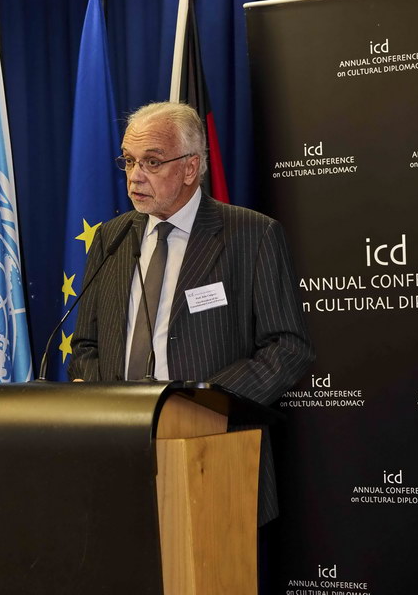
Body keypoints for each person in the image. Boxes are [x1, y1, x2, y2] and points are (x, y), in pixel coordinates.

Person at [68, 101, 314, 524]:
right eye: (128, 161)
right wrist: (108, 406)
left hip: (215, 453)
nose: (135, 176)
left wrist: (205, 404)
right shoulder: (111, 238)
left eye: (151, 162)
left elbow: (288, 347)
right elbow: (87, 343)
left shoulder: (251, 235)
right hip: (118, 454)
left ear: (190, 167)